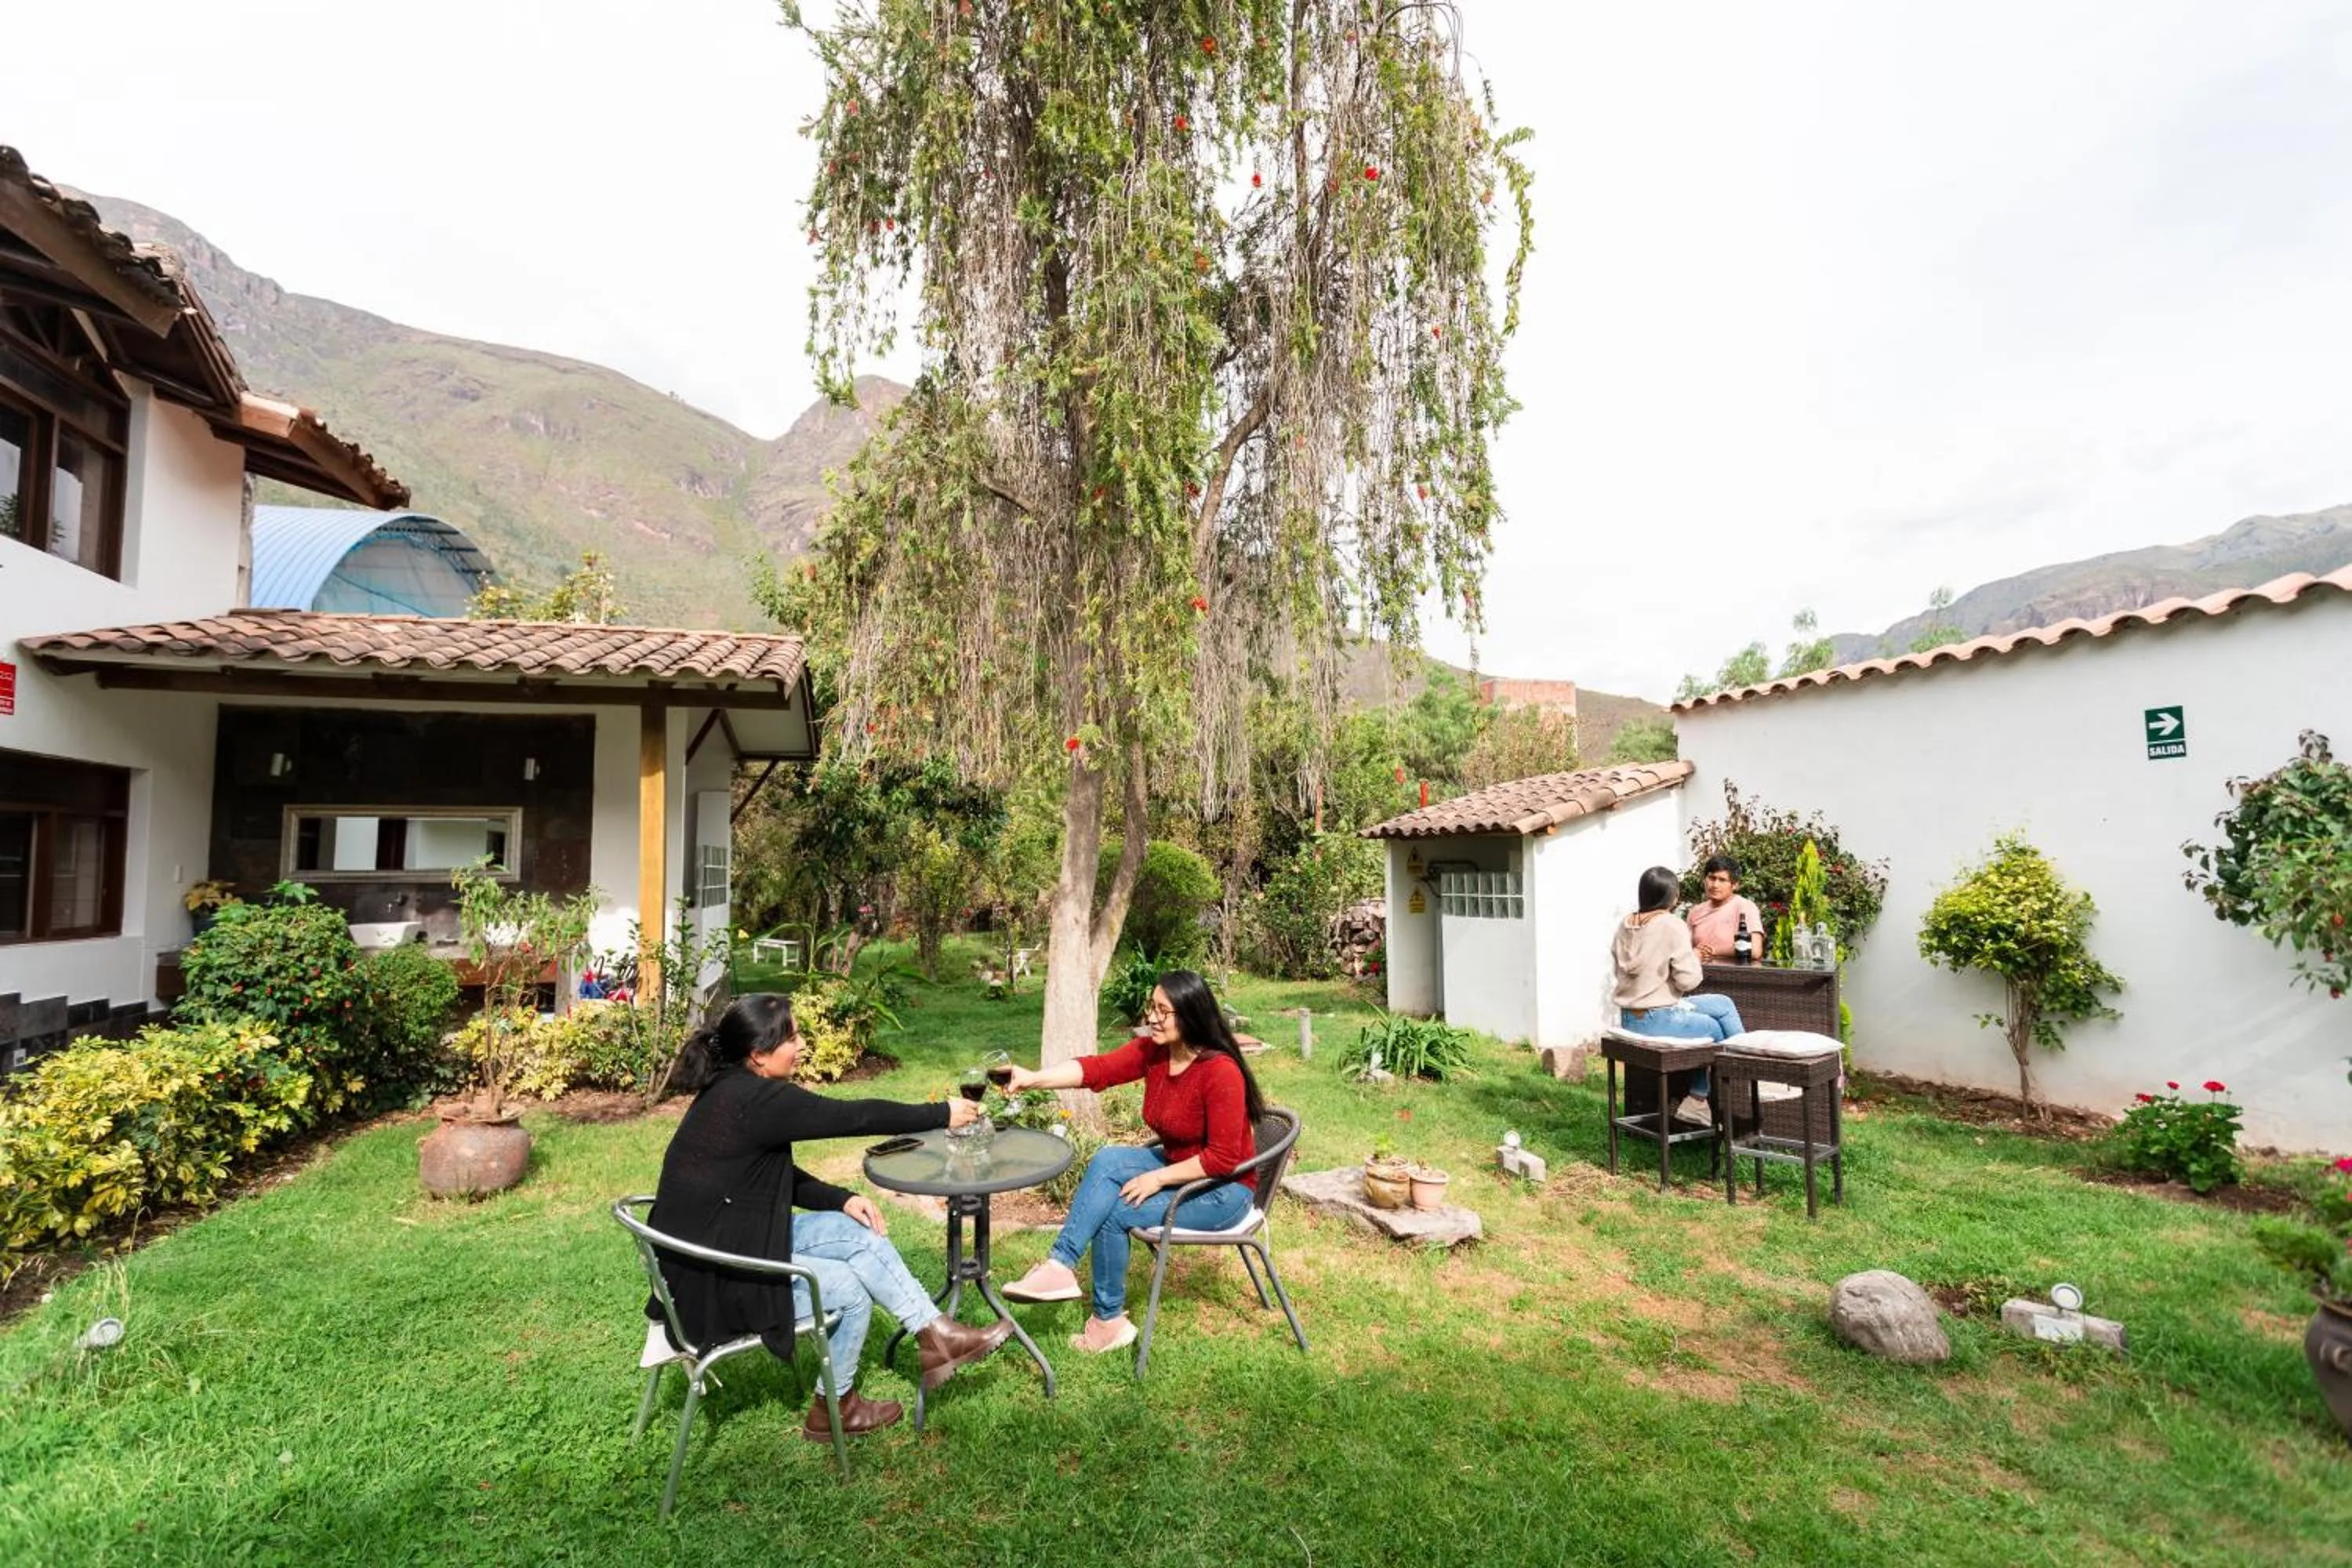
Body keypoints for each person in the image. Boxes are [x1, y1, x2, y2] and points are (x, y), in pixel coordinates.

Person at [646, 993, 1011, 1440]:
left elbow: (762, 1175)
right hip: (713, 1283)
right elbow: (853, 1116)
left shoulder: (732, 1088)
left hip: (727, 1239)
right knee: (848, 1289)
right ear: (759, 1054)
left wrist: (839, 1199)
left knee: (857, 1230)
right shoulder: (757, 1100)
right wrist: (940, 1114)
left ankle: (934, 1335)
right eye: (792, 1038)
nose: (802, 1045)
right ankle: (833, 1407)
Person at [999, 969, 1263, 1353]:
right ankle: (1060, 1267)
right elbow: (1097, 1069)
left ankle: (1108, 1324)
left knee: (1117, 1210)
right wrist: (1033, 1078)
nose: (1151, 1018)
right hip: (1180, 1165)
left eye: (1163, 1011)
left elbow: (1222, 1159)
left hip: (1224, 1191)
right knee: (1108, 1160)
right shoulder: (1155, 1053)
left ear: (1190, 1014)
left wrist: (1157, 1180)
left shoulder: (1220, 1071)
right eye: (1150, 1007)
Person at [1613, 866, 1748, 1123]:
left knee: (1723, 1003)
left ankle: (1737, 1077)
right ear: (1672, 896)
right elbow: (1689, 980)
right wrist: (1693, 957)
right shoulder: (1671, 924)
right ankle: (1704, 1098)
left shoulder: (1626, 923)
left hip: (1631, 1017)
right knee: (1713, 1028)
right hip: (1658, 1017)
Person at [1687, 853, 1767, 964]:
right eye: (1712, 878)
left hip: (1733, 977)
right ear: (1704, 880)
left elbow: (1755, 950)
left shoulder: (1745, 907)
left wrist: (1715, 951)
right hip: (1699, 976)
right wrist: (1696, 952)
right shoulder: (1695, 912)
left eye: (1722, 880)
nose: (1715, 885)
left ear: (1734, 885)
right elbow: (1684, 950)